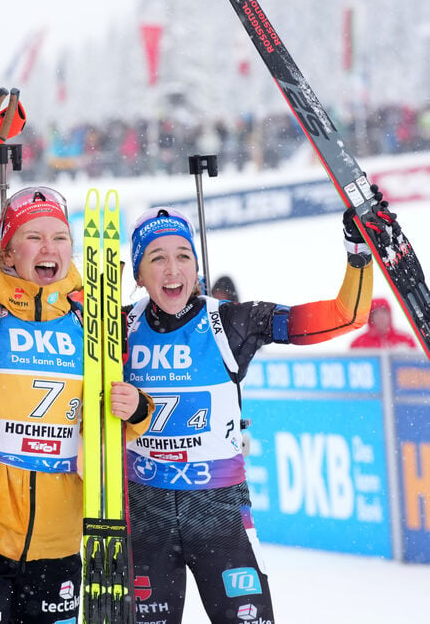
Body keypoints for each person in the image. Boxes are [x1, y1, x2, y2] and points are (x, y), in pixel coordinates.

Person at [122, 205, 374, 624]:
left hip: (219, 510)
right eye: (157, 258)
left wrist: (359, 253)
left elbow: (345, 316)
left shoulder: (229, 322)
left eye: (184, 255)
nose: (172, 270)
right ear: (138, 274)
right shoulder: (115, 328)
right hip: (145, 511)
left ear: (197, 268)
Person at [0, 186, 153, 624]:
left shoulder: (91, 319)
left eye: (60, 237)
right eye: (33, 237)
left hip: (57, 537)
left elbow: (104, 422)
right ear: (7, 255)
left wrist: (136, 410)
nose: (49, 248)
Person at [350, 297, 417, 350]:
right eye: (375, 313)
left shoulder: (405, 339)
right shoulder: (358, 343)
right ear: (370, 317)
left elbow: (416, 365)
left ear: (389, 314)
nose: (380, 316)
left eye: (383, 311)